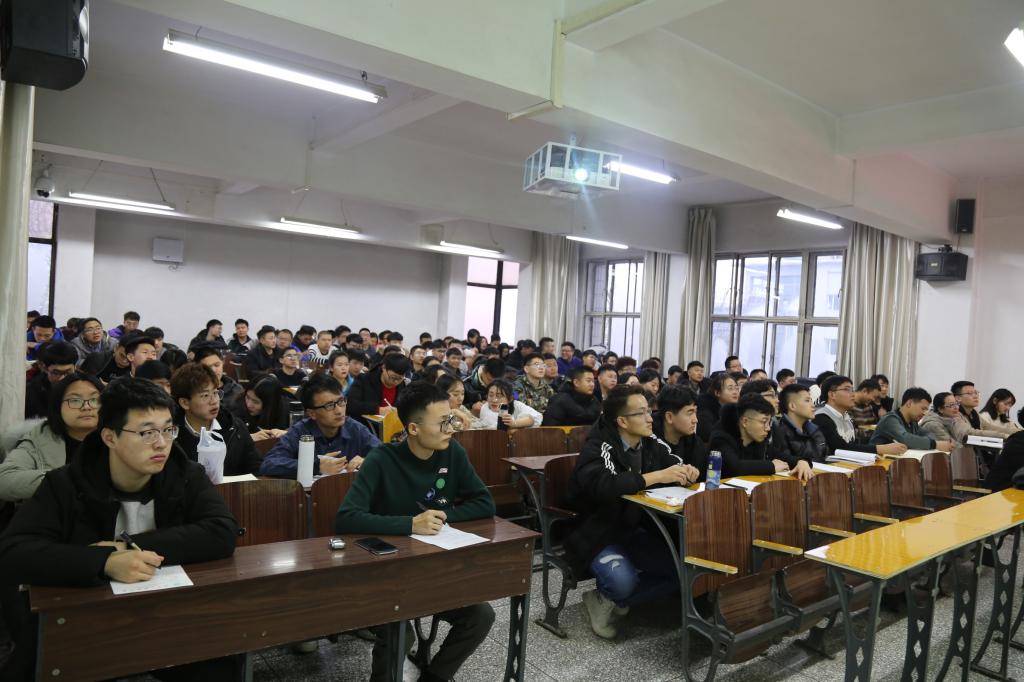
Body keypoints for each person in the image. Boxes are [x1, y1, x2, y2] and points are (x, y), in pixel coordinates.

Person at [0, 378, 241, 682]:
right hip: (85, 621)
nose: (161, 443)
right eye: (146, 432)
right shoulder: (66, 484)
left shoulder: (185, 474)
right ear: (110, 437)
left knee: (219, 662)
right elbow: (13, 552)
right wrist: (104, 562)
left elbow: (222, 531)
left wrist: (126, 547)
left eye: (168, 430)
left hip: (169, 614)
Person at [335, 382, 496, 682]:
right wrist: (410, 524)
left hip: (432, 570)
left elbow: (484, 503)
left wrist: (441, 517)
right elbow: (346, 518)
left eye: (451, 419)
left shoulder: (453, 453)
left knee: (481, 615)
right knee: (400, 632)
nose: (451, 428)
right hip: (385, 572)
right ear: (413, 428)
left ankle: (434, 677)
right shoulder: (382, 460)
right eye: (442, 422)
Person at [566, 385, 700, 639]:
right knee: (623, 583)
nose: (650, 418)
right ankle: (603, 598)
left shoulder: (649, 440)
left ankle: (616, 599)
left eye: (649, 411)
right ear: (622, 421)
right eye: (641, 413)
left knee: (682, 571)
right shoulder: (599, 446)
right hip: (596, 533)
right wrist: (656, 476)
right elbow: (606, 486)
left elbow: (672, 461)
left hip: (633, 528)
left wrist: (686, 471)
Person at [0, 373, 102, 502]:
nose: (87, 407)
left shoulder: (119, 435)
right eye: (75, 400)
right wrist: (69, 479)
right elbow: (4, 479)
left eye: (94, 399)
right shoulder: (39, 437)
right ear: (58, 406)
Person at [260, 374, 379, 478]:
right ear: (312, 413)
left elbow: (384, 454)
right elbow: (269, 464)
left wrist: (367, 460)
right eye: (329, 405)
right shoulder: (300, 431)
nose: (339, 411)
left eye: (341, 401)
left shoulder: (354, 428)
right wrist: (316, 466)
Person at [171, 364, 262, 477]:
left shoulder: (235, 427)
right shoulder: (171, 437)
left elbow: (256, 468)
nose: (214, 401)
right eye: (205, 395)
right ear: (185, 403)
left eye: (215, 393)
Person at [708, 394, 812, 479]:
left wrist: (802, 462)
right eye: (763, 422)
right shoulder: (721, 438)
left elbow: (783, 457)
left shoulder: (759, 441)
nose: (768, 428)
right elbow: (734, 467)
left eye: (769, 423)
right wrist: (771, 466)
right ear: (745, 421)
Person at [813, 375, 907, 457]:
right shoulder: (821, 417)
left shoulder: (846, 417)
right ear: (832, 395)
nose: (853, 394)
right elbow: (839, 448)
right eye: (847, 389)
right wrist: (880, 449)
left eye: (852, 390)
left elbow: (853, 444)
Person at [870, 387, 955, 452]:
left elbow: (928, 433)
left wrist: (934, 442)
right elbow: (906, 439)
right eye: (923, 408)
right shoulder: (890, 419)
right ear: (909, 403)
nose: (925, 413)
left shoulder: (913, 422)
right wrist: (935, 444)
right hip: (876, 463)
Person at [652, 385, 708, 481]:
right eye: (690, 413)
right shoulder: (648, 442)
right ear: (669, 417)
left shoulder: (695, 442)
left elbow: (702, 479)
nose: (695, 420)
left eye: (695, 412)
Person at [920, 392, 1004, 446]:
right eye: (951, 405)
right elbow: (951, 446)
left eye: (956, 404)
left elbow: (969, 432)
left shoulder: (954, 417)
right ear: (940, 409)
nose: (956, 407)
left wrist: (1003, 435)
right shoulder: (933, 425)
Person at [347, 352, 410, 424]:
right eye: (393, 377)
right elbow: (351, 405)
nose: (396, 382)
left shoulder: (403, 385)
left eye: (400, 378)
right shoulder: (364, 380)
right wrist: (378, 410)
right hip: (365, 426)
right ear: (384, 368)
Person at [771, 384, 828, 463]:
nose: (813, 405)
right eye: (807, 401)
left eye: (811, 400)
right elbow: (787, 463)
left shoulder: (813, 429)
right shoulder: (780, 431)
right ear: (792, 406)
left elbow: (824, 456)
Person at [25, 340, 78, 419]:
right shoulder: (31, 394)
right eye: (56, 373)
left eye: (68, 372)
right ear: (45, 368)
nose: (62, 378)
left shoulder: (85, 386)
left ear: (75, 367)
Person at [230, 375, 288, 440]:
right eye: (247, 397)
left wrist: (287, 434)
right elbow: (227, 437)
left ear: (270, 404)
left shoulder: (286, 411)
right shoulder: (237, 409)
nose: (248, 404)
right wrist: (249, 438)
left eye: (255, 402)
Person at [473, 379, 542, 429]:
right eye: (491, 395)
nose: (494, 400)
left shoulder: (516, 404)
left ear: (510, 398)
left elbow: (536, 417)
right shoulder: (485, 408)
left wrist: (514, 423)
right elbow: (499, 429)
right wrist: (514, 426)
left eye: (499, 396)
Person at [695, 372, 739, 441]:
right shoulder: (706, 408)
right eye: (730, 388)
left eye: (736, 388)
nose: (735, 392)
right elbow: (707, 434)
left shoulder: (736, 409)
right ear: (717, 393)